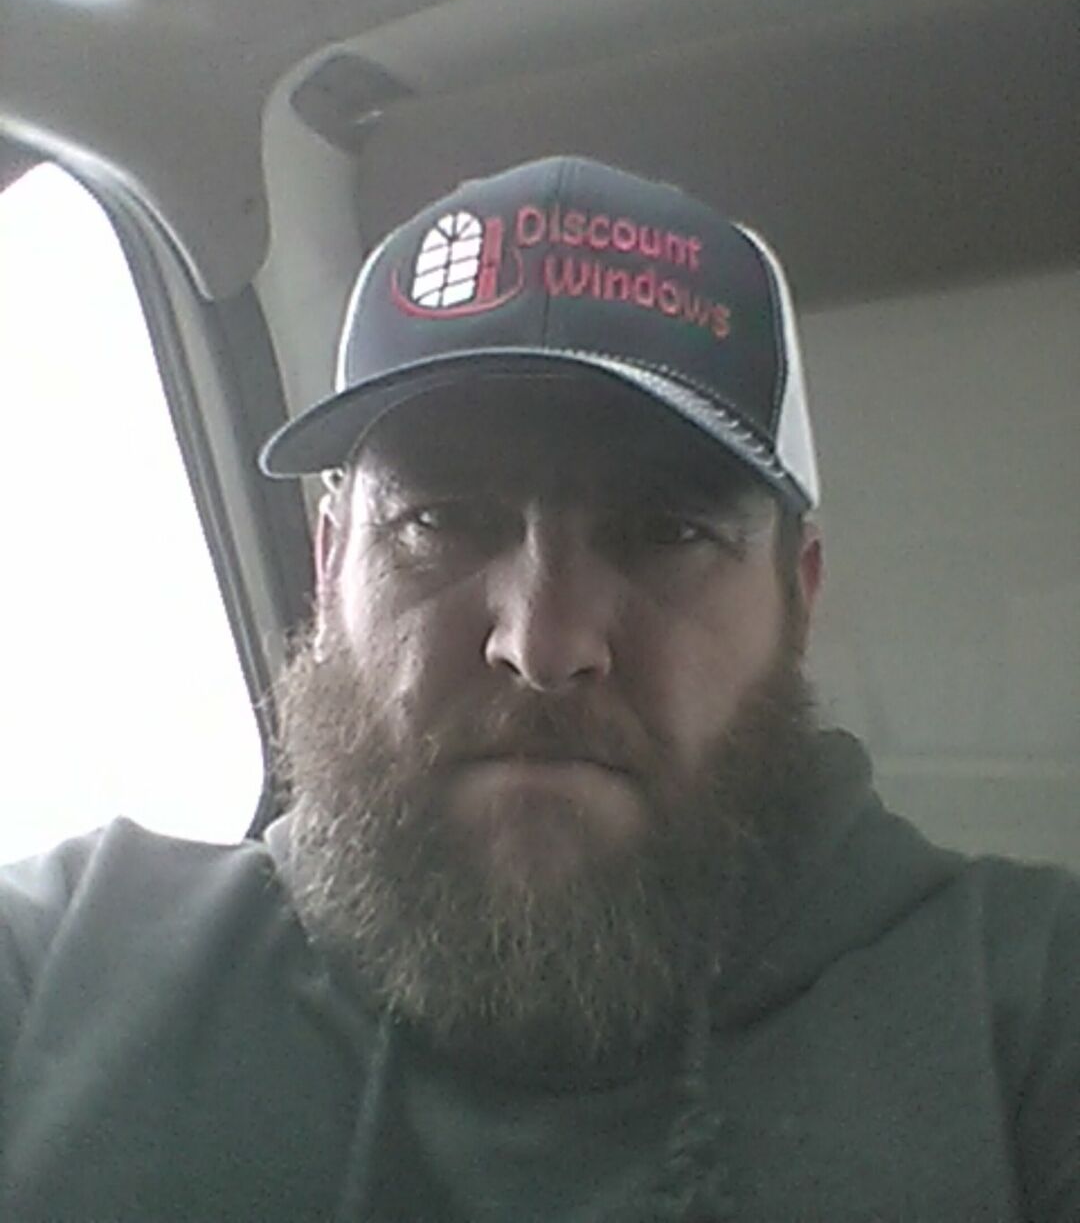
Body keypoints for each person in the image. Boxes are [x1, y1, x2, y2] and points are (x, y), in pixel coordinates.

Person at [0, 156, 1076, 1221]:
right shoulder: (66, 965)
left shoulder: (1029, 1014)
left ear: (798, 602)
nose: (543, 644)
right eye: (437, 520)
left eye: (666, 531)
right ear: (328, 571)